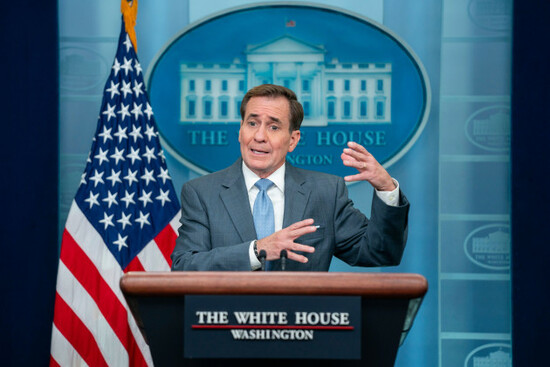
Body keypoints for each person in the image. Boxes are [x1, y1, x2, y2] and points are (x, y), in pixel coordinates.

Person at [171, 84, 409, 271]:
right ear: (240, 130)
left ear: (293, 140)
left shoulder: (325, 192)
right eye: (252, 123)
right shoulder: (202, 192)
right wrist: (257, 250)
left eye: (273, 127)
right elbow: (184, 266)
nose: (260, 136)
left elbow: (379, 252)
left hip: (302, 328)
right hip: (224, 327)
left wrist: (386, 188)